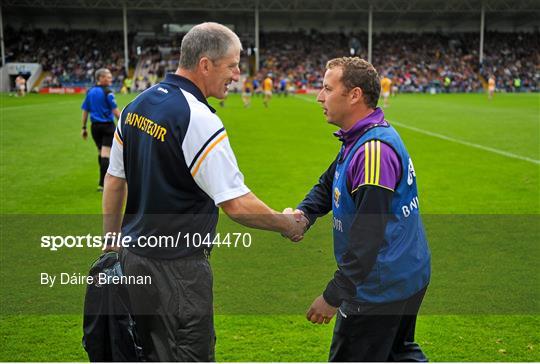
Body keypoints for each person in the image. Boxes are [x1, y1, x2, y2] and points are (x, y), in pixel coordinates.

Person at [102, 22, 307, 362]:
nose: (238, 74)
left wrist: (110, 244)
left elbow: (114, 180)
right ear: (205, 65)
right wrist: (287, 225)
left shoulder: (137, 104)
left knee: (144, 351)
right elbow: (237, 204)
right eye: (232, 65)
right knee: (187, 354)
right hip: (178, 270)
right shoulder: (197, 117)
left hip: (132, 258)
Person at [289, 57, 431, 362]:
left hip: (379, 287)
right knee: (397, 352)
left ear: (354, 95)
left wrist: (333, 296)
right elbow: (330, 183)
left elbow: (368, 239)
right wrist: (304, 215)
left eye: (327, 88)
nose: (319, 97)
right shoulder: (360, 137)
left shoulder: (373, 152)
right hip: (406, 272)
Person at [81, 68, 121, 191]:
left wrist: (83, 127)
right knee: (106, 154)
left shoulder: (90, 92)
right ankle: (103, 184)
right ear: (101, 78)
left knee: (100, 153)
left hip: (94, 127)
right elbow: (115, 111)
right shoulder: (108, 92)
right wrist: (124, 122)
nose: (111, 79)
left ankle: (102, 183)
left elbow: (85, 111)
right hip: (107, 126)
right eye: (108, 77)